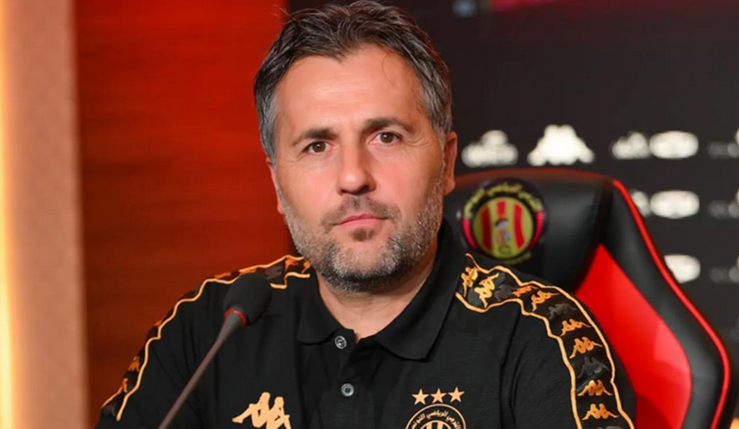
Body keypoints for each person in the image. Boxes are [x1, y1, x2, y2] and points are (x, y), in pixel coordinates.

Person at [96, 1, 636, 428]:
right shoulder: (210, 330)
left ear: (447, 163)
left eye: (386, 137)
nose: (353, 177)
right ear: (277, 185)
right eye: (317, 146)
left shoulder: (542, 338)